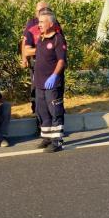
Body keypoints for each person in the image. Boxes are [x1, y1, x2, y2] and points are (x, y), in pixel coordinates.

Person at [33, 10, 67, 152]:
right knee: (42, 111)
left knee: (55, 111)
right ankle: (47, 138)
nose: (39, 25)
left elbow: (61, 61)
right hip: (40, 84)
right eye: (38, 22)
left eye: (42, 22)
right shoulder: (40, 39)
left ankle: (57, 141)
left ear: (51, 23)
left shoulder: (58, 39)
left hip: (52, 84)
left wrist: (54, 76)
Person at [21, 2, 62, 116]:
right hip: (37, 61)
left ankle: (56, 112)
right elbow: (25, 43)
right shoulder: (32, 25)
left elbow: (60, 42)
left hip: (53, 62)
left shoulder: (54, 23)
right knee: (37, 89)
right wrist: (24, 58)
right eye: (40, 11)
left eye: (45, 10)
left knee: (54, 89)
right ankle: (37, 112)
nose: (43, 13)